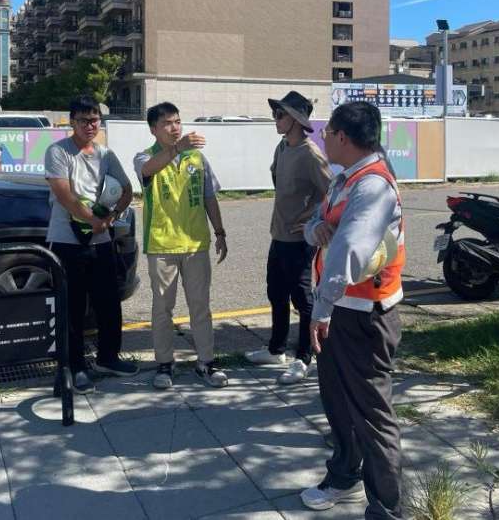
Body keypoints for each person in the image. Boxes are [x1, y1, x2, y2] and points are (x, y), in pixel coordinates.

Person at [300, 101, 405, 519]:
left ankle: (386, 507)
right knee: (338, 400)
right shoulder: (344, 180)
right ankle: (344, 475)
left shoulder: (372, 185)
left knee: (372, 414)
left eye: (326, 132)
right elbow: (314, 224)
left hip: (364, 314)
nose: (323, 137)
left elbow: (349, 249)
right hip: (341, 307)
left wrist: (321, 309)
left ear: (342, 137)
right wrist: (316, 229)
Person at [45, 94, 138, 394]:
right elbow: (64, 194)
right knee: (72, 306)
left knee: (108, 301)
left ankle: (108, 358)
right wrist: (92, 219)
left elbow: (127, 189)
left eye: (94, 119)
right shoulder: (58, 151)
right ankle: (75, 367)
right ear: (72, 122)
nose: (90, 125)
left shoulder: (106, 154)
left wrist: (112, 216)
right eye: (83, 120)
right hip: (66, 240)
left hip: (100, 240)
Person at [134, 102, 229, 390]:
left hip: (195, 243)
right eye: (167, 123)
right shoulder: (144, 157)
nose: (174, 127)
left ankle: (206, 362)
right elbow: (148, 170)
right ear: (153, 129)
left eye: (177, 121)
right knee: (162, 308)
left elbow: (209, 196)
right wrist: (177, 149)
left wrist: (220, 231)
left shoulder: (197, 158)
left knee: (201, 306)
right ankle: (165, 363)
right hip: (162, 245)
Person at [245, 91, 331, 385]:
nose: (276, 119)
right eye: (275, 114)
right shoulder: (282, 147)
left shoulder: (311, 154)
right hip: (279, 233)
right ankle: (276, 350)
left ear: (296, 119)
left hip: (300, 240)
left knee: (303, 298)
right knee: (276, 291)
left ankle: (304, 358)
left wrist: (311, 218)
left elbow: (331, 191)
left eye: (280, 115)